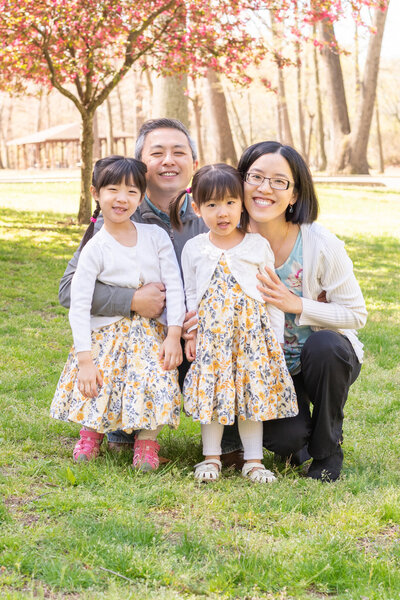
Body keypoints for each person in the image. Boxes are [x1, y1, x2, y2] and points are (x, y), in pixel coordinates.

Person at [217, 141, 367, 481]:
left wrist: (297, 304)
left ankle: (328, 448)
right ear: (241, 181)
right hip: (266, 370)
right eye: (255, 176)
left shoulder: (320, 243)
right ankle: (302, 438)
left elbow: (357, 314)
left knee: (325, 346)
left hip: (320, 360)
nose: (264, 188)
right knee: (287, 439)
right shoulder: (228, 240)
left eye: (279, 181)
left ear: (295, 195)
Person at [58, 118, 208, 453]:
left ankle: (228, 435)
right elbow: (69, 290)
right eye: (158, 152)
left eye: (178, 152)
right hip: (140, 345)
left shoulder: (212, 218)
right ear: (142, 166)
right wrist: (132, 299)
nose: (169, 160)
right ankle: (120, 427)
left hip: (197, 342)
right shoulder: (116, 220)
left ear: (193, 165)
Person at [51, 156, 186, 470]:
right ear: (96, 192)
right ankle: (91, 433)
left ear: (140, 197)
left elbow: (174, 286)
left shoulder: (154, 237)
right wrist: (85, 359)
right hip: (105, 334)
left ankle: (147, 442)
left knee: (158, 381)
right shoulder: (95, 248)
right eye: (112, 189)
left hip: (151, 333)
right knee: (99, 382)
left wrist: (175, 334)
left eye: (131, 192)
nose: (122, 198)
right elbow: (80, 304)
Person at [171, 164, 298, 483]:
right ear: (197, 208)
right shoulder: (195, 249)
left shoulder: (256, 246)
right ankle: (210, 459)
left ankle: (253, 461)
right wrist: (190, 335)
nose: (222, 212)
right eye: (211, 205)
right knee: (213, 398)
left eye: (229, 202)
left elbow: (271, 296)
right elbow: (190, 294)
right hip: (212, 342)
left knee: (251, 399)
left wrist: (275, 341)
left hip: (252, 341)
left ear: (242, 204)